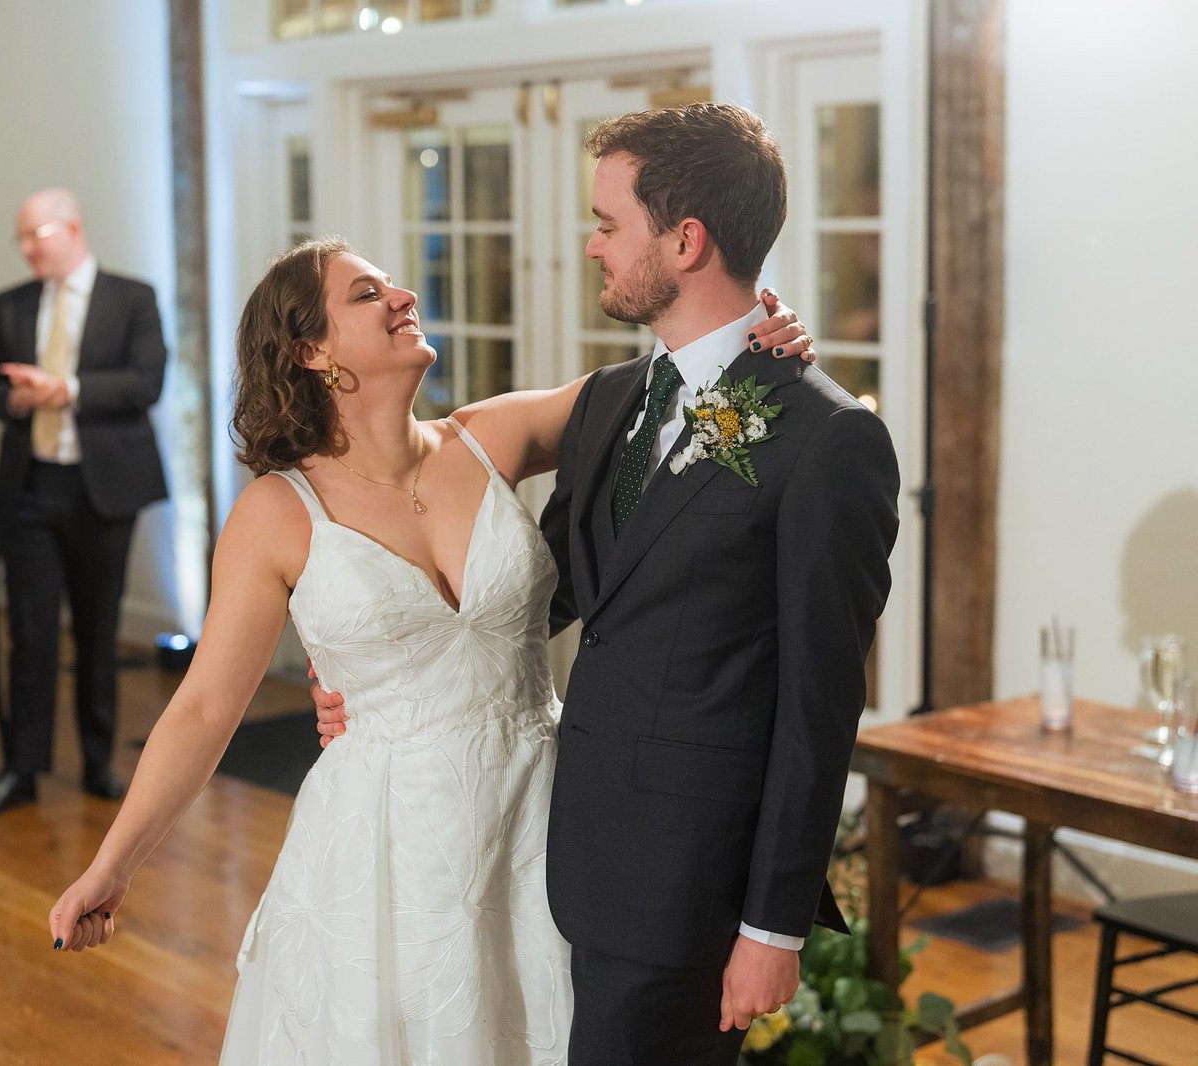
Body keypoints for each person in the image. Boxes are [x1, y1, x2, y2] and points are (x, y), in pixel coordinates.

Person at [46, 235, 812, 1062]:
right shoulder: (275, 514)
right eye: (367, 294)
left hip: (544, 816)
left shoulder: (492, 437)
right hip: (386, 851)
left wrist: (754, 336)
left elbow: (665, 382)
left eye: (392, 285)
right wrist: (112, 867)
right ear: (310, 351)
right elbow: (202, 709)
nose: (403, 296)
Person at [317, 103, 900, 1065]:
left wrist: (773, 928)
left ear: (685, 240)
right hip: (567, 849)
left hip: (692, 883)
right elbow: (539, 589)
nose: (591, 247)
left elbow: (821, 703)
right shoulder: (611, 403)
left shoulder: (828, 439)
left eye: (606, 224)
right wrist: (381, 668)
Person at [0, 188, 168, 818]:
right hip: (30, 487)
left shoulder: (131, 297)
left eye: (38, 235)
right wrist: (17, 399)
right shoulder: (12, 303)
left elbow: (147, 382)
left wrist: (68, 389)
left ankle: (99, 762)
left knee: (97, 632)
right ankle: (20, 771)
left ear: (72, 228)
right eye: (21, 238)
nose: (28, 248)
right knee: (29, 636)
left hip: (101, 489)